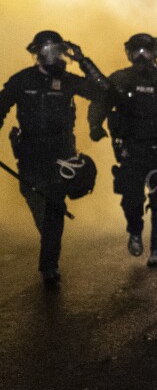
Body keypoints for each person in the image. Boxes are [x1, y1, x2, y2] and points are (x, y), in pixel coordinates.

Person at [0, 31, 110, 287]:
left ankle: (49, 267)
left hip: (61, 157)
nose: (51, 56)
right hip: (29, 156)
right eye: (46, 51)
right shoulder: (22, 80)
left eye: (56, 51)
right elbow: (1, 106)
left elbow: (104, 92)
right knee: (38, 204)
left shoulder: (68, 80)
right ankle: (49, 245)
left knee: (54, 209)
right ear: (36, 52)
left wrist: (83, 60)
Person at [88, 33, 157, 267]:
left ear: (155, 52)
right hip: (132, 150)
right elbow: (100, 101)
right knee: (131, 199)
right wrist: (95, 126)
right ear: (128, 53)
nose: (141, 56)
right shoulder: (119, 79)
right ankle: (135, 231)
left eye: (146, 51)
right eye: (136, 51)